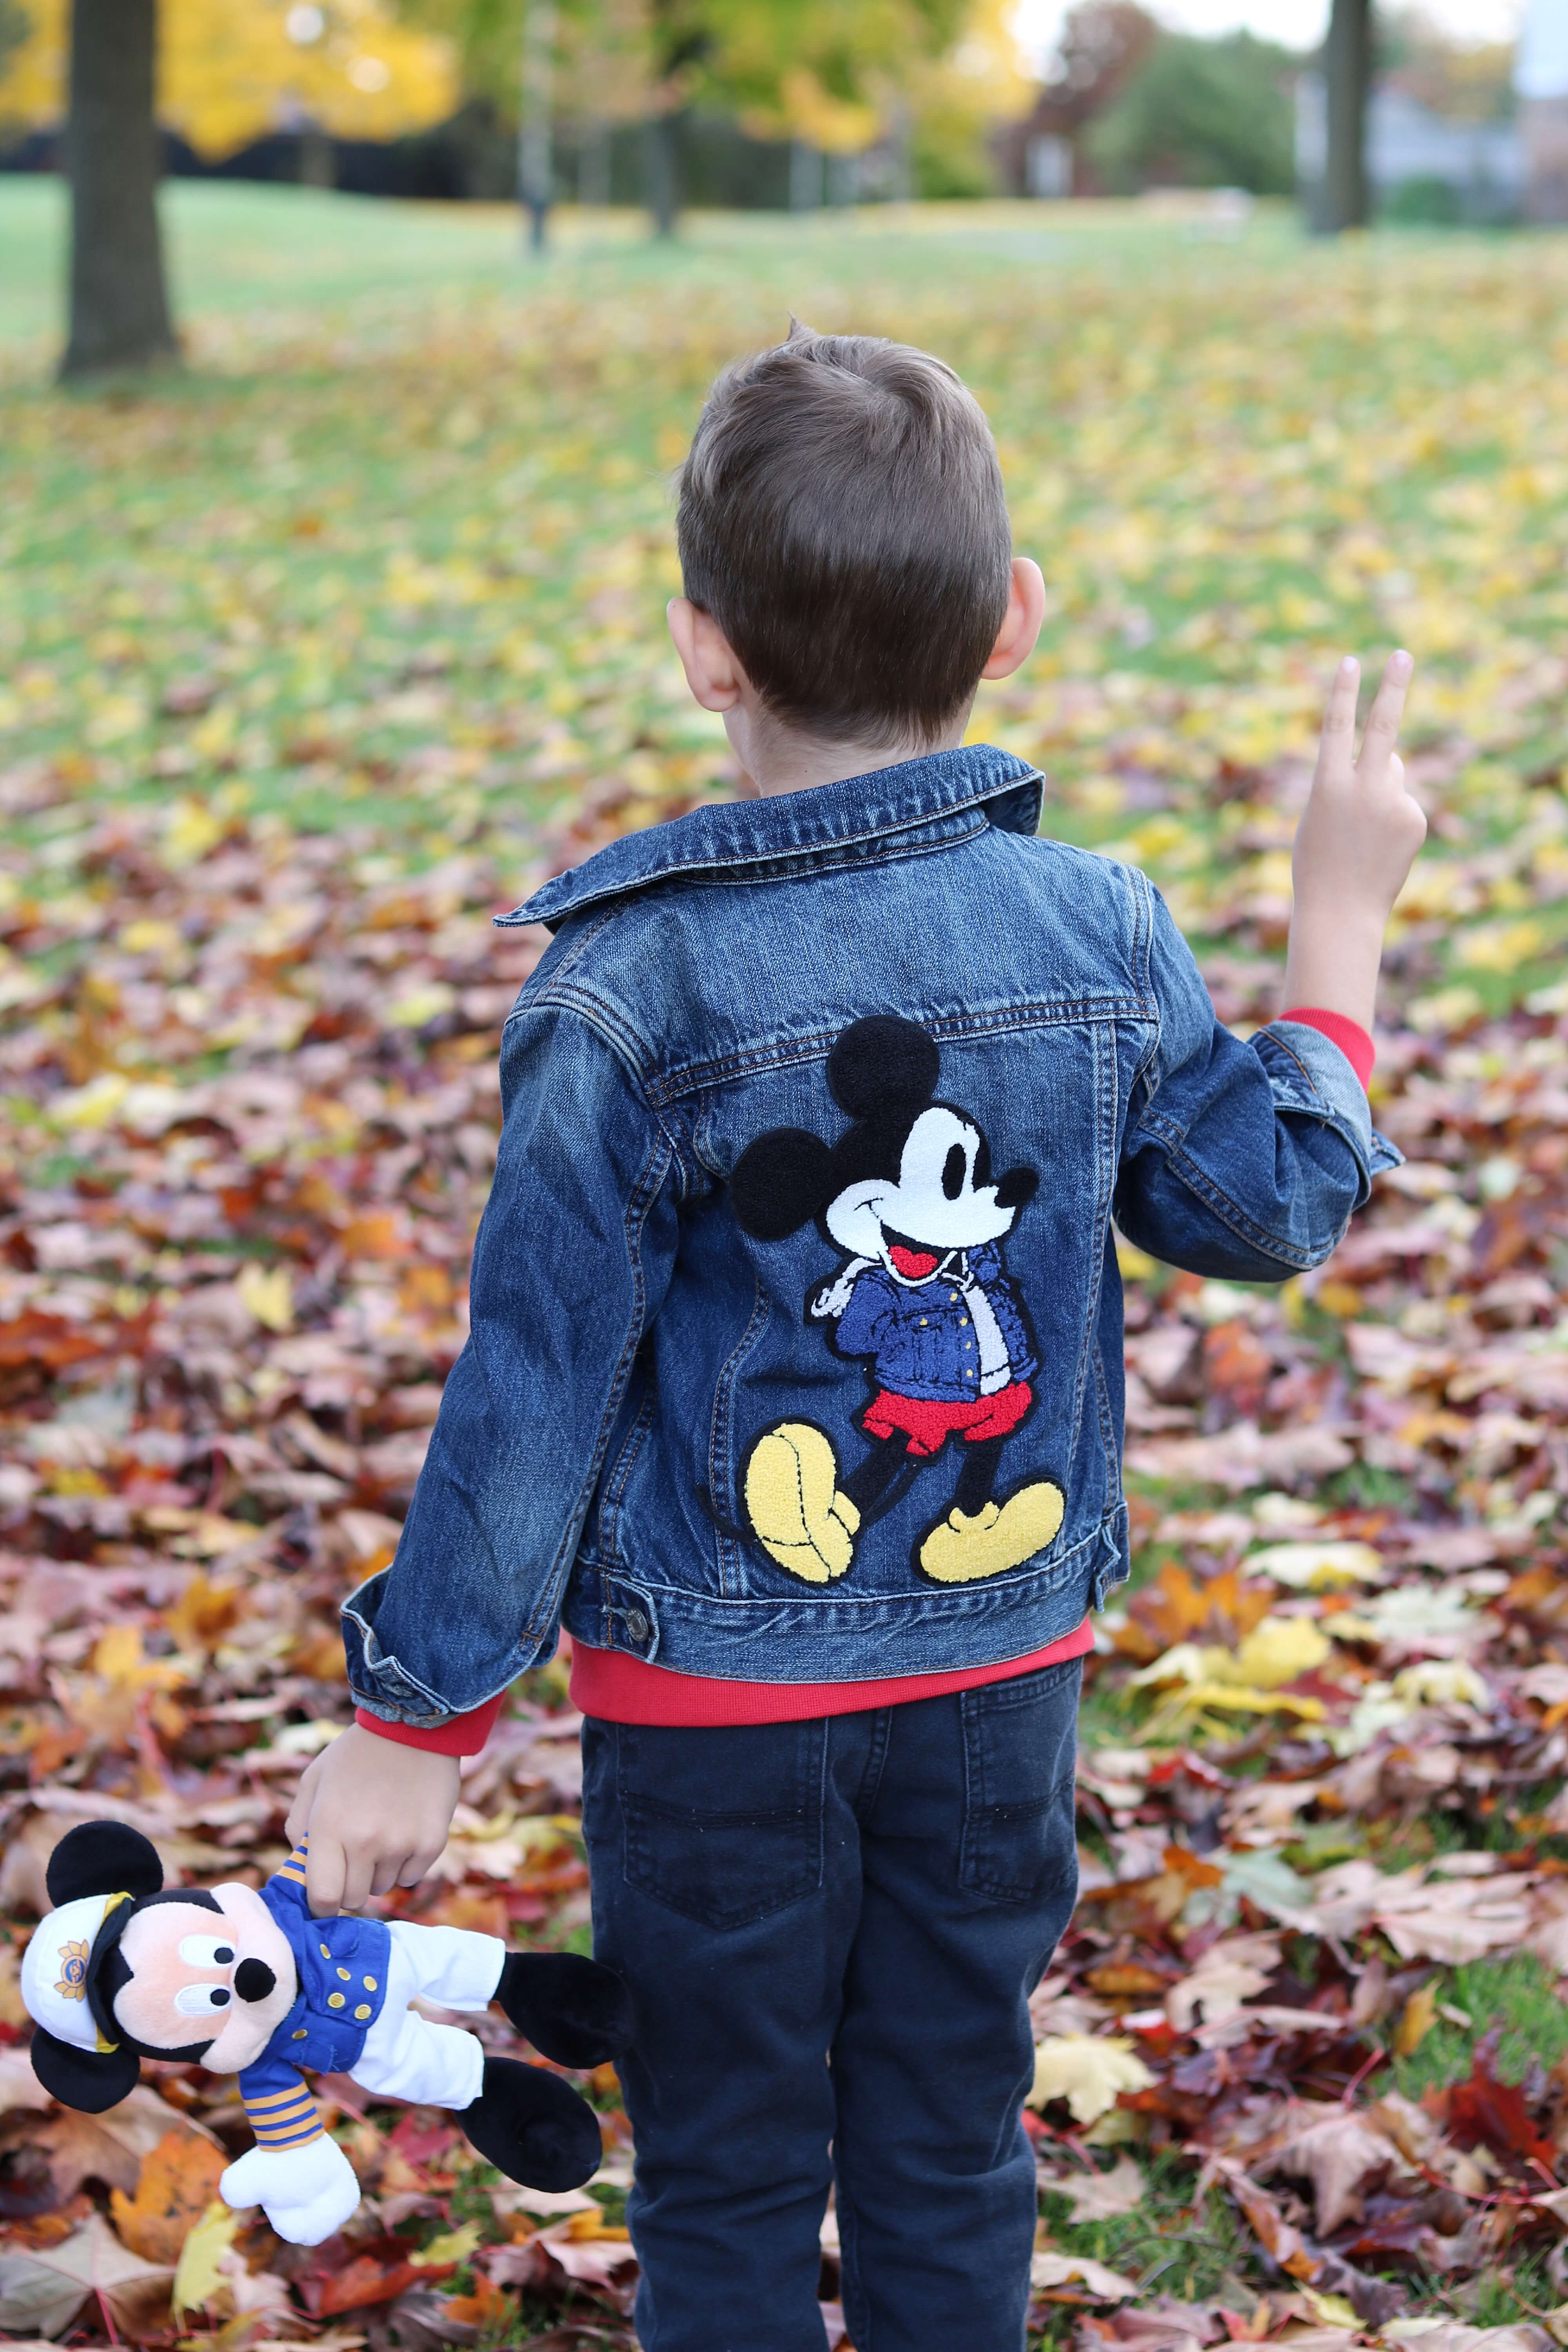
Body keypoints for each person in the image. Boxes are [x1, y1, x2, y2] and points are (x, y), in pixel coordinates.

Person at [286, 326, 1425, 2352]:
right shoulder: (1096, 931)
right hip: (996, 1677)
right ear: (1012, 624)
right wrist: (1337, 931)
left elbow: (536, 1384)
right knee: (947, 2136)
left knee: (726, 2164)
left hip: (708, 1706)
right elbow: (1266, 1204)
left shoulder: (623, 992)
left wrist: (420, 1717)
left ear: (704, 652)